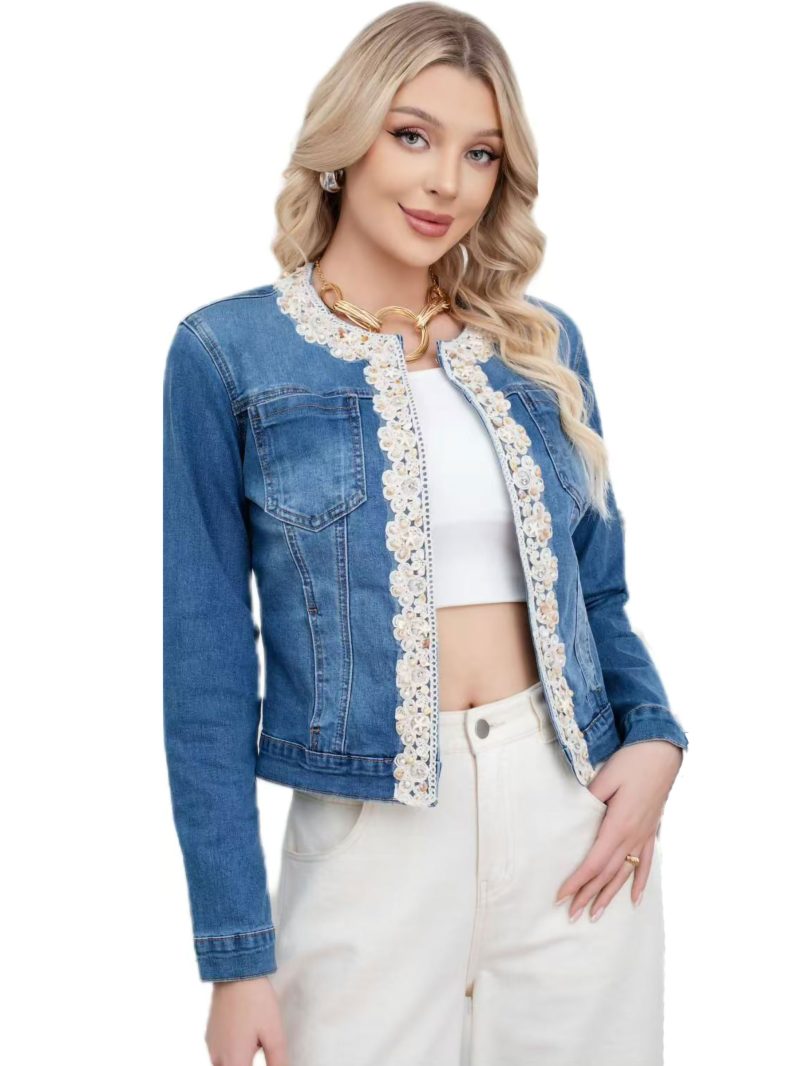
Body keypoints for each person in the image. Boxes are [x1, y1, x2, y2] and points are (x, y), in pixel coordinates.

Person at [162, 4, 689, 1064]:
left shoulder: (539, 347)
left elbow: (599, 593)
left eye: (480, 153)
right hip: (369, 843)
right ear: (344, 141)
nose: (446, 182)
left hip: (571, 820)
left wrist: (656, 738)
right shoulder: (227, 353)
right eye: (413, 136)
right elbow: (207, 667)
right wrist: (235, 957)